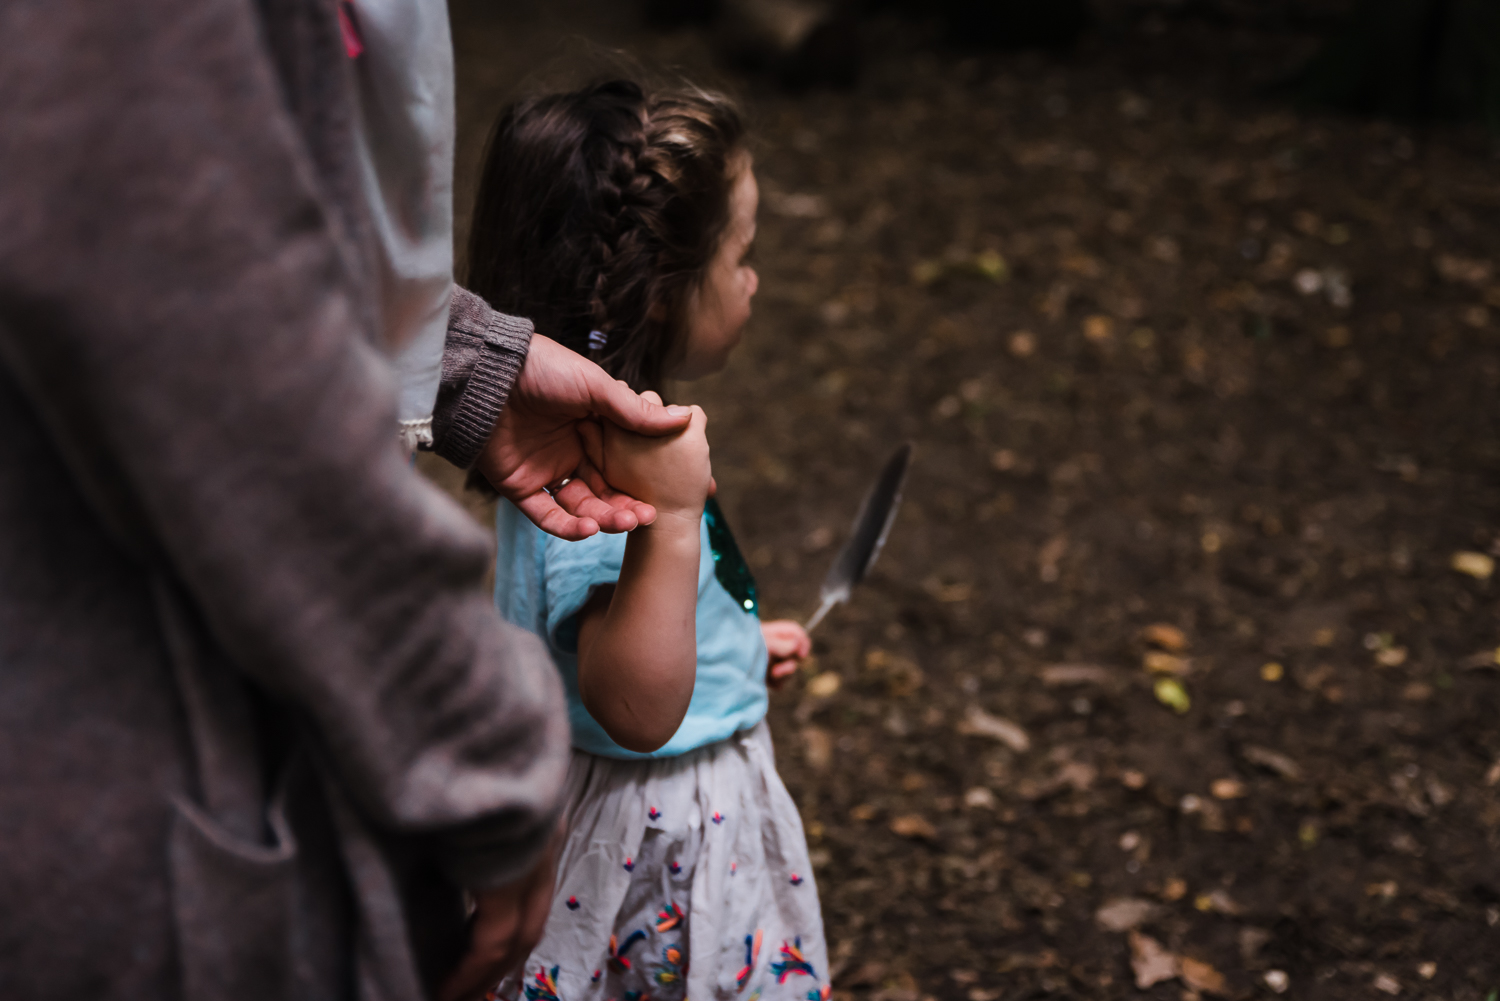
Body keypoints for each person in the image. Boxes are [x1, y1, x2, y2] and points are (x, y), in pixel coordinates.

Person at [0, 4, 689, 1000]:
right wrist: (480, 748)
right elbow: (179, 310)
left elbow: (202, 217)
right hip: (129, 797)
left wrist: (457, 363)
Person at [467, 79, 830, 1001]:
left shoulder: (583, 432)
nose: (753, 279)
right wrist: (669, 521)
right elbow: (631, 703)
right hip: (651, 840)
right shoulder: (617, 480)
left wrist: (733, 648)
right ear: (664, 291)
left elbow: (632, 622)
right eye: (743, 254)